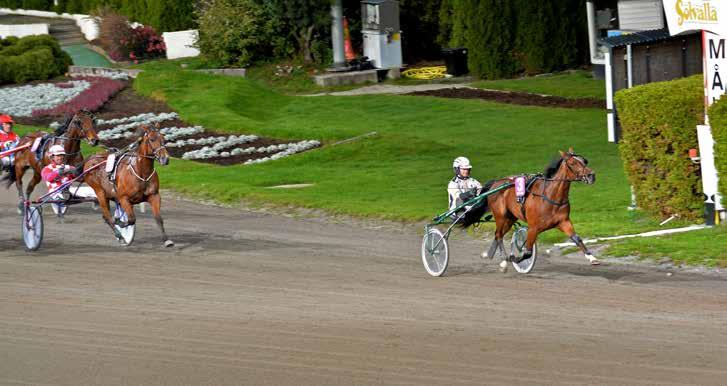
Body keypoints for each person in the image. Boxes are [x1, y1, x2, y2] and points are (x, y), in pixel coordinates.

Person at [41, 145, 96, 217]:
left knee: (93, 190)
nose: (60, 157)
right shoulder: (47, 168)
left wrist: (78, 172)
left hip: (69, 190)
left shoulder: (69, 167)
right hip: (55, 192)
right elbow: (48, 178)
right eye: (58, 156)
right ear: (52, 157)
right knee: (63, 194)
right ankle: (66, 196)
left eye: (61, 155)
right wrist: (58, 172)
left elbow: (80, 177)